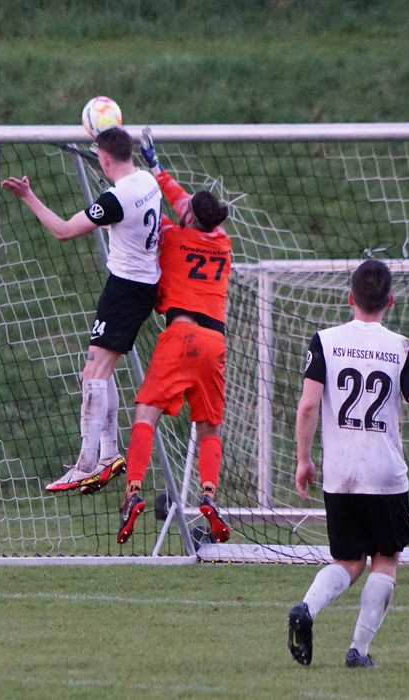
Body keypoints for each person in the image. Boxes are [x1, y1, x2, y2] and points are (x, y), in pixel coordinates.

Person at [287, 258, 409, 669]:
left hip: (340, 476)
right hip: (386, 476)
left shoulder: (324, 342)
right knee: (384, 560)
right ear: (390, 300)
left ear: (349, 298)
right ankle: (358, 650)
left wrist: (303, 459)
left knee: (347, 562)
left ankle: (306, 608)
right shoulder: (401, 347)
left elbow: (307, 406)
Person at [1, 127, 163, 495]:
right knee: (99, 371)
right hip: (143, 284)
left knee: (93, 373)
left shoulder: (116, 199)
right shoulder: (147, 181)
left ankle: (86, 464)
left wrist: (28, 196)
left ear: (103, 159)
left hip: (125, 289)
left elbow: (63, 231)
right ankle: (107, 454)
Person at [110, 127, 233, 546]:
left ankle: (133, 491)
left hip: (180, 335)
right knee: (209, 427)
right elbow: (186, 205)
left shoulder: (171, 236)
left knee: (146, 414)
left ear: (189, 218)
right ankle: (209, 496)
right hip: (214, 343)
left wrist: (139, 172)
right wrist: (156, 165)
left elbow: (150, 210)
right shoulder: (223, 243)